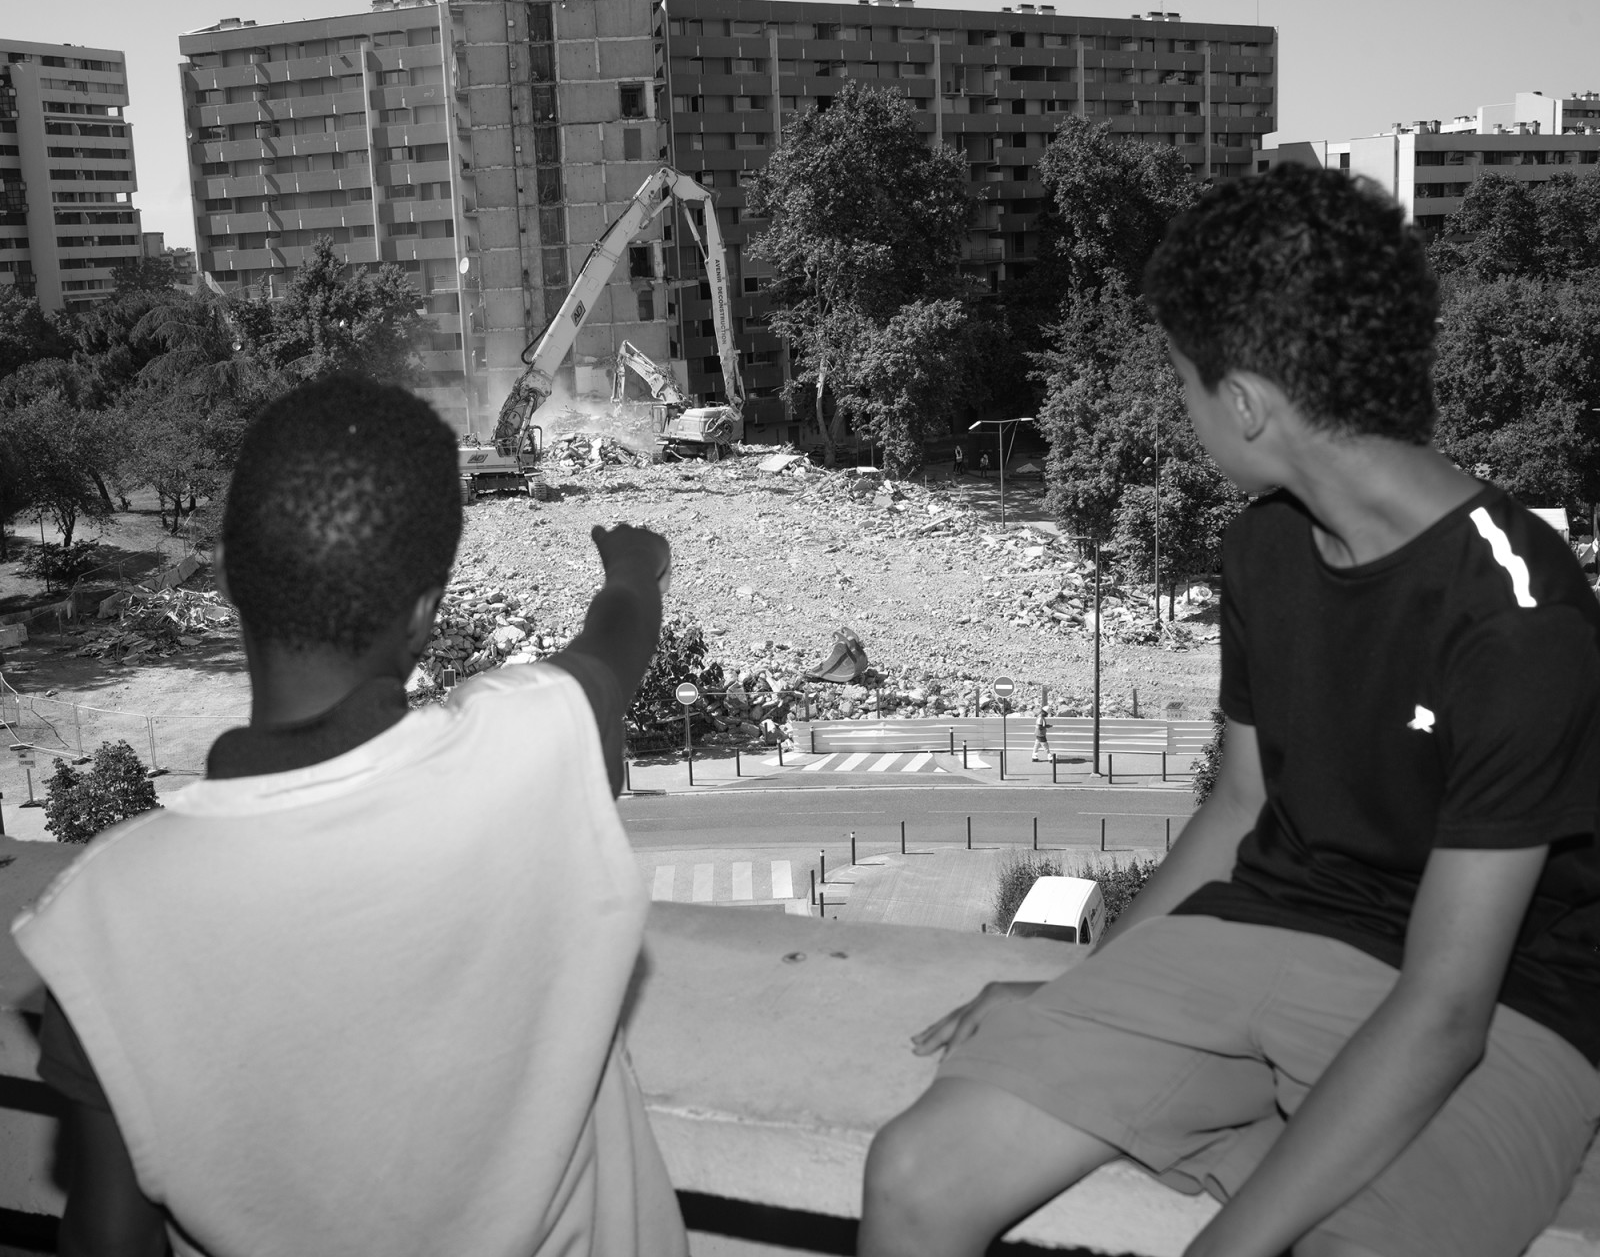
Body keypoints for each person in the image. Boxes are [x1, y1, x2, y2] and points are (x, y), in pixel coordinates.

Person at [860, 164, 1600, 1257]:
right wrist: (1085, 987)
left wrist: (1232, 1244)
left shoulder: (1520, 614)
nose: (1182, 405)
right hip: (1267, 930)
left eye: (1181, 381)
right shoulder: (1261, 547)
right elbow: (1239, 807)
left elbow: (1445, 1011)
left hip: (1502, 1002)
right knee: (915, 1173)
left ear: (1245, 402)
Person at [11, 376, 687, 1257]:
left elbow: (107, 1236)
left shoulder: (102, 911)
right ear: (424, 615)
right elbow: (618, 635)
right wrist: (637, 565)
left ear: (228, 581)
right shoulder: (532, 740)